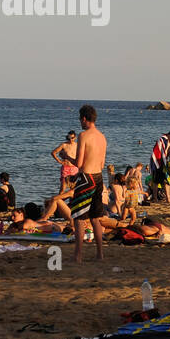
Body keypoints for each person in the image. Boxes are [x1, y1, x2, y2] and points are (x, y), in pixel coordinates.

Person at [69, 105, 108, 261]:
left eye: (80, 119)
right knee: (95, 218)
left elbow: (79, 163)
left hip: (86, 178)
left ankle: (78, 256)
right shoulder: (102, 137)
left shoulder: (83, 135)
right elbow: (102, 163)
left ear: (84, 118)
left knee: (79, 218)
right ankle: (100, 254)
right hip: (98, 177)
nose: (80, 122)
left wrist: (67, 156)